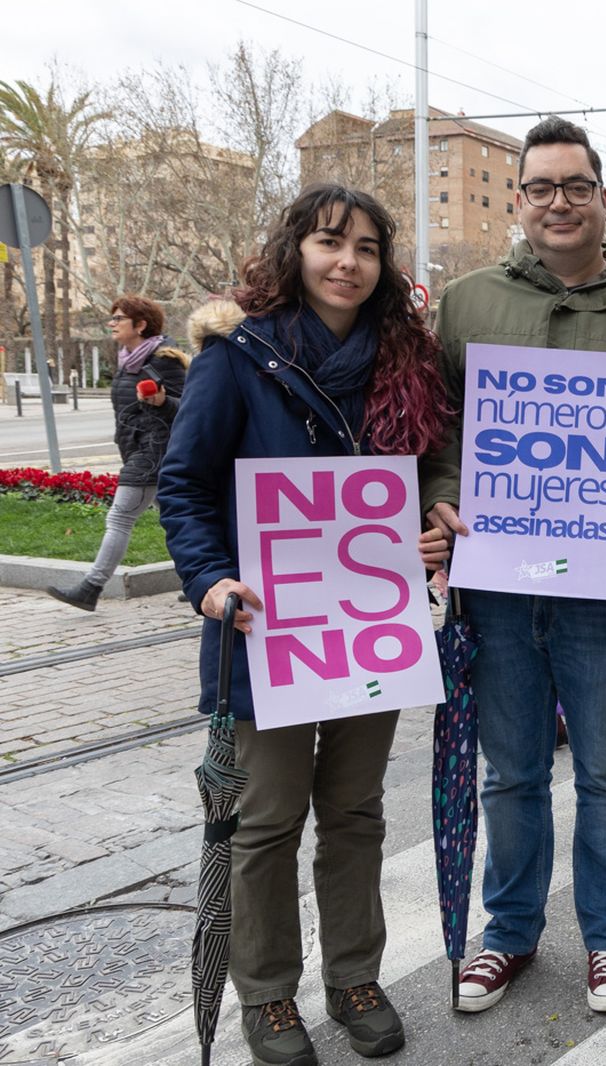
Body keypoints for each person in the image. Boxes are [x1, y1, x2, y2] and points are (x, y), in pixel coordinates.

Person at [158, 184, 449, 1065]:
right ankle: (269, 995)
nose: (347, 263)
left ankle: (355, 977)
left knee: (356, 813)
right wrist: (208, 581)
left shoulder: (406, 357)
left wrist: (437, 511)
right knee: (268, 821)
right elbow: (184, 485)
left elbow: (434, 460)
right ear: (295, 250)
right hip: (267, 635)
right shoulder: (236, 357)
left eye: (365, 248)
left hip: (369, 625)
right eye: (330, 242)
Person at [417, 117, 606, 1016]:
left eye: (577, 186)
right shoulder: (465, 304)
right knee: (511, 771)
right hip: (496, 583)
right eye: (542, 188)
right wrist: (445, 497)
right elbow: (438, 431)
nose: (559, 203)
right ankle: (510, 933)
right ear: (519, 200)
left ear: (603, 198)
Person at [48, 295, 188, 611]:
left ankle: (91, 587)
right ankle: (199, 580)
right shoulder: (128, 361)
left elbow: (193, 411)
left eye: (118, 319)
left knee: (120, 517)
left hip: (156, 452)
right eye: (112, 319)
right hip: (136, 449)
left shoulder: (164, 360)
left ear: (140, 325)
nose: (112, 324)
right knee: (178, 520)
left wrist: (163, 403)